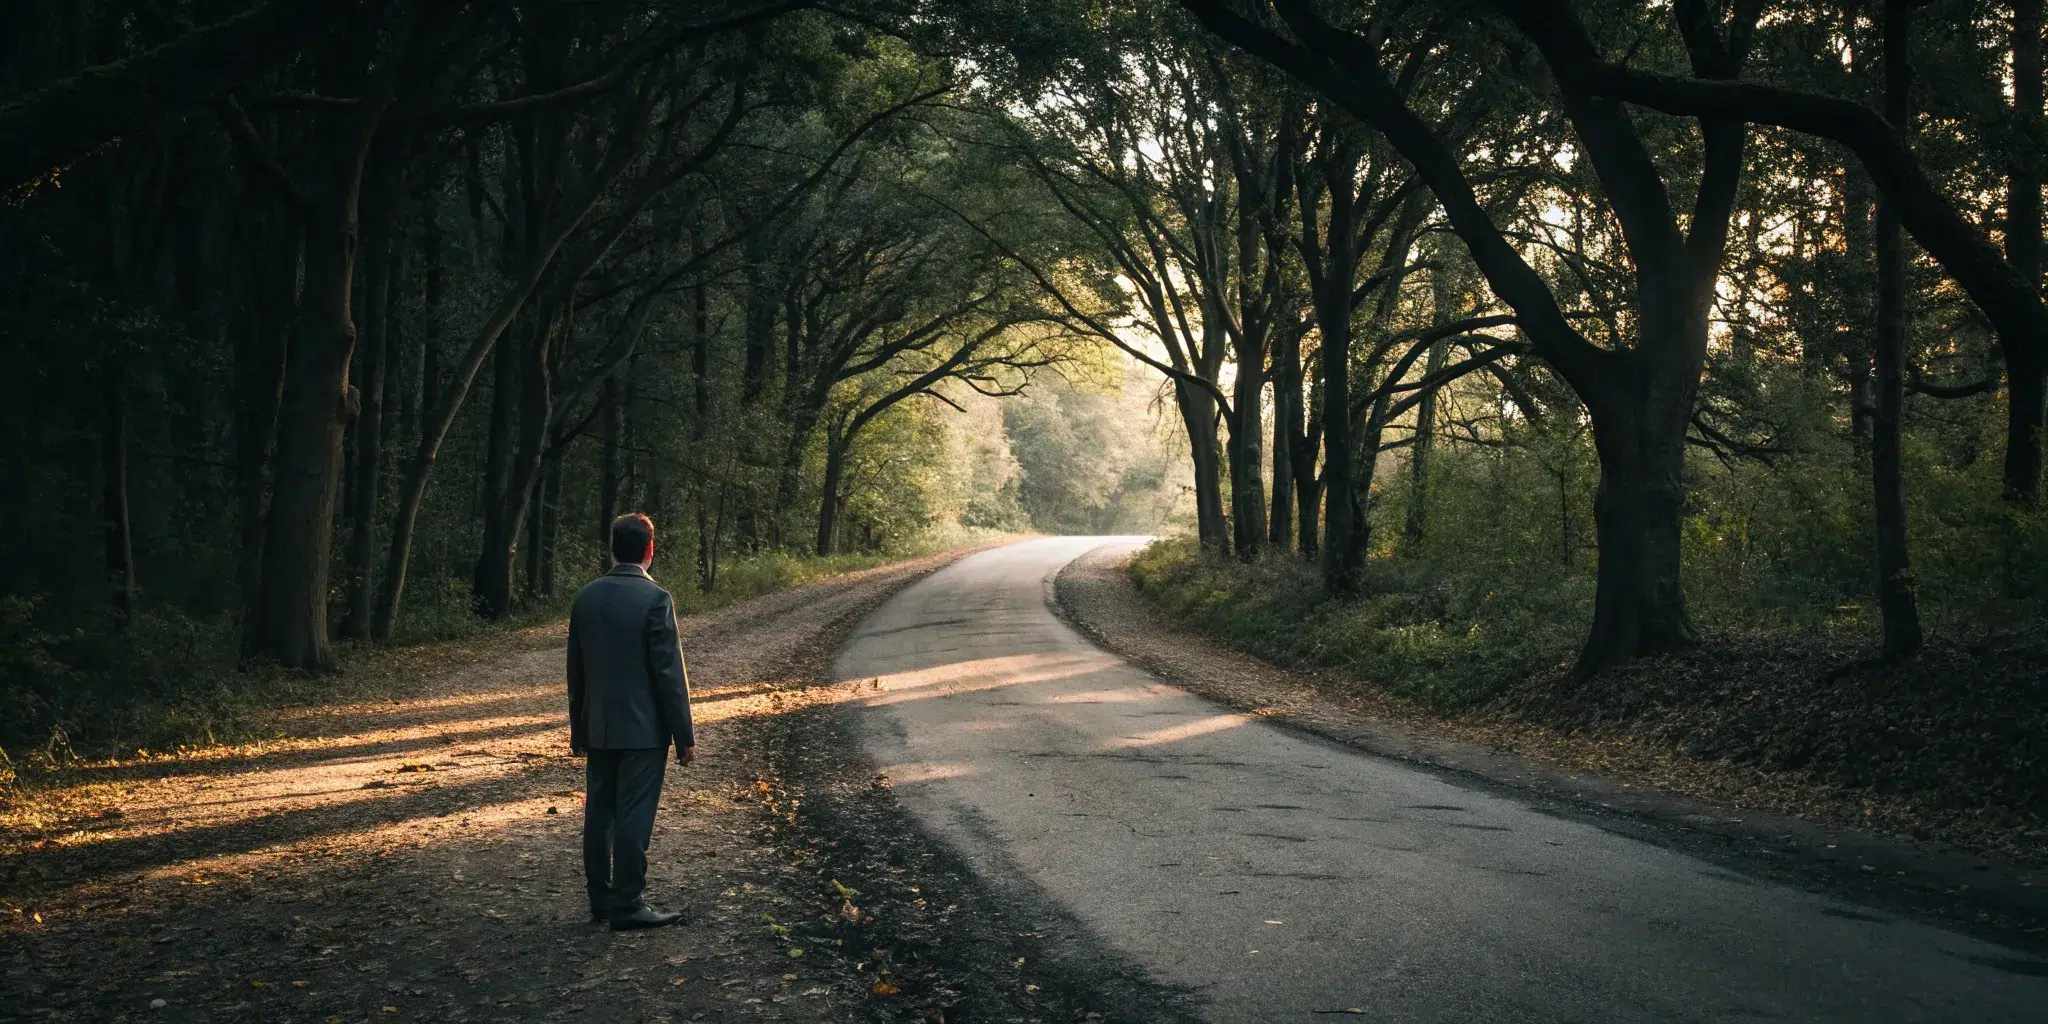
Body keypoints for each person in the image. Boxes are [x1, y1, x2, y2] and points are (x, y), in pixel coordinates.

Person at [566, 512, 696, 930]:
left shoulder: (585, 597)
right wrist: (683, 734)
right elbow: (669, 674)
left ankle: (600, 899)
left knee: (599, 813)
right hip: (643, 731)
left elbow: (576, 673)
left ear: (613, 549)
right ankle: (628, 902)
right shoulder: (656, 600)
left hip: (598, 725)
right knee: (634, 814)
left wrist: (578, 729)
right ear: (649, 550)